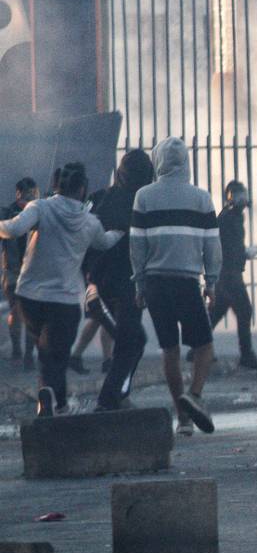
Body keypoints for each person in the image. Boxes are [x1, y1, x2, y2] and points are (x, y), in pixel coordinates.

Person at [0, 163, 120, 415]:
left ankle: (54, 401)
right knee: (57, 354)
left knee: (46, 350)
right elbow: (105, 243)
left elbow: (12, 229)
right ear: (82, 189)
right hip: (64, 300)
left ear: (57, 185)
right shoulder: (90, 222)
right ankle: (52, 397)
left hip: (29, 296)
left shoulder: (39, 207)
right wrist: (122, 230)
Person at [131, 137, 220, 438]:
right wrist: (212, 282)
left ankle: (182, 419)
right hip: (186, 282)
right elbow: (212, 245)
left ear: (157, 161)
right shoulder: (201, 198)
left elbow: (137, 244)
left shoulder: (143, 196)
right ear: (186, 162)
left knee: (169, 348)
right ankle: (194, 395)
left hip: (155, 283)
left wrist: (139, 283)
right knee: (204, 346)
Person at [85, 149, 155, 411]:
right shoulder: (137, 203)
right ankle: (109, 399)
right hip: (116, 286)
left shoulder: (104, 198)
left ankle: (118, 395)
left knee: (134, 341)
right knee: (131, 342)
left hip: (113, 285)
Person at [207, 180, 257, 370]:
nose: (243, 199)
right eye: (239, 194)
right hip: (229, 274)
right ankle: (246, 356)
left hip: (226, 273)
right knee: (244, 310)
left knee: (217, 311)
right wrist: (246, 253)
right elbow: (228, 248)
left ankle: (198, 348)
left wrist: (244, 252)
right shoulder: (228, 218)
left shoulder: (231, 217)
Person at [2, 177, 39, 368]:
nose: (31, 197)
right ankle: (19, 351)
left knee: (29, 314)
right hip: (13, 271)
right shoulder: (8, 212)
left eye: (33, 193)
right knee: (17, 311)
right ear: (18, 193)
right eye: (28, 193)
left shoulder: (39, 211)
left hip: (32, 271)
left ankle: (28, 354)